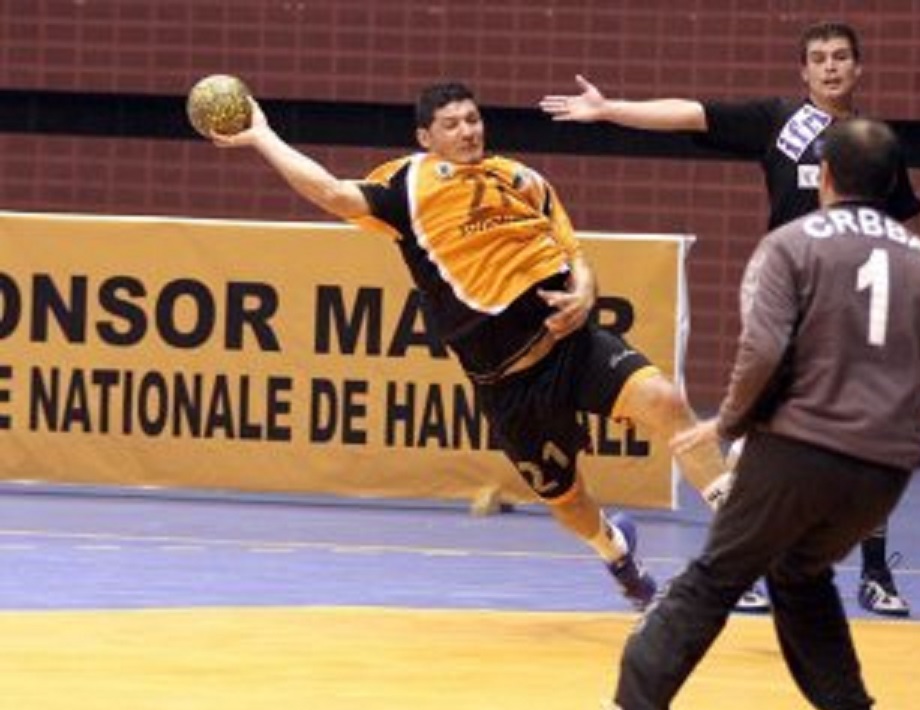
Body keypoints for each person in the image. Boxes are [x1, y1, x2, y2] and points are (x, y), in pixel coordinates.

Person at [208, 81, 734, 612]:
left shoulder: (521, 179)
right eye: (453, 124)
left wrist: (585, 290)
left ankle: (743, 541)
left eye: (473, 119)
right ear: (425, 136)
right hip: (510, 384)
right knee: (567, 500)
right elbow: (331, 193)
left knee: (666, 402)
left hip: (572, 346)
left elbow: (574, 252)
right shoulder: (408, 187)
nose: (468, 131)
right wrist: (263, 135)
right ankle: (617, 554)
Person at [584, 118, 920, 710]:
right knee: (800, 572)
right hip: (886, 471)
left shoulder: (793, 244)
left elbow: (762, 349)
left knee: (714, 576)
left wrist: (728, 423)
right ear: (896, 183)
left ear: (824, 176)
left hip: (798, 449)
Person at [540, 20, 920, 617]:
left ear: (857, 68)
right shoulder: (780, 124)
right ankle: (741, 567)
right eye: (818, 59)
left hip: (855, 314)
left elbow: (904, 219)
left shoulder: (875, 142)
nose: (829, 67)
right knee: (753, 441)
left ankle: (876, 575)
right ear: (804, 71)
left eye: (840, 58)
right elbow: (692, 113)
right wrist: (610, 108)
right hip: (788, 308)